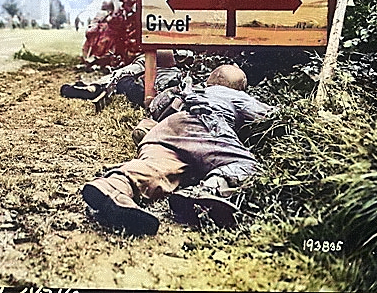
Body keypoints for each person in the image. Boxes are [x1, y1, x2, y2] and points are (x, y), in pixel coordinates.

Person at [81, 64, 274, 236]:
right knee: (248, 165)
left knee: (153, 167)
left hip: (165, 129)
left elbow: (156, 107)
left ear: (211, 78)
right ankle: (208, 190)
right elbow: (271, 117)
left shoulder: (188, 90)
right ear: (239, 87)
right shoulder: (237, 95)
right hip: (206, 125)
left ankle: (115, 186)